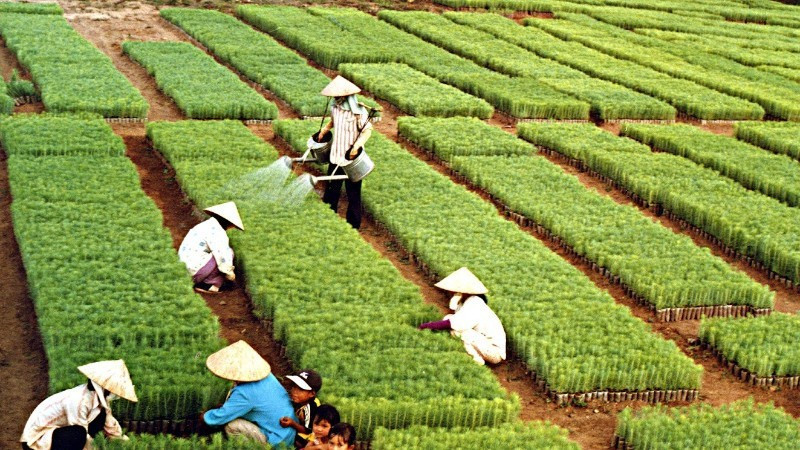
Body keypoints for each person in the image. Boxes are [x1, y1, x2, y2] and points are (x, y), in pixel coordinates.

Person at [20, 360, 137, 450]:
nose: (114, 394)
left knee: (100, 418)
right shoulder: (79, 400)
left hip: (58, 433)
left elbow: (110, 425)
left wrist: (125, 442)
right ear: (103, 388)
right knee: (78, 434)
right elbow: (82, 436)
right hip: (36, 441)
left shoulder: (100, 401)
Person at [201, 340, 297, 447]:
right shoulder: (268, 377)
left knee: (232, 426)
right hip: (289, 431)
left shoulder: (244, 393)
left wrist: (205, 416)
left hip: (277, 441)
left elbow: (219, 418)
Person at [418, 267, 507, 366]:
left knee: (458, 331)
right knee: (449, 318)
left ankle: (476, 360)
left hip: (494, 351)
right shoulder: (464, 301)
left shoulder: (475, 302)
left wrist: (427, 326)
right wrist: (455, 302)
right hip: (482, 343)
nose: (451, 291)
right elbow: (452, 317)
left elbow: (455, 324)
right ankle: (474, 354)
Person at [317, 76, 373, 230]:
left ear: (346, 96)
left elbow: (367, 131)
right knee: (331, 190)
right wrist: (325, 129)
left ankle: (353, 225)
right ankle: (329, 219)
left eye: (338, 96)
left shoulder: (359, 112)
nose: (336, 99)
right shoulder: (335, 108)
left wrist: (357, 146)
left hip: (351, 159)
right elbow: (333, 121)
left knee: (353, 193)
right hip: (336, 156)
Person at [178, 201, 244, 294]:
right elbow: (223, 255)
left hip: (182, 269)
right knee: (228, 253)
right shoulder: (218, 232)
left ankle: (206, 282)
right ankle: (206, 285)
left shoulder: (206, 225)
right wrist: (230, 274)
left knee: (217, 254)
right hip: (193, 272)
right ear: (228, 222)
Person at [278, 370, 323, 447]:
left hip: (310, 435)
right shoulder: (300, 399)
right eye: (294, 386)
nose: (295, 391)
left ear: (311, 394)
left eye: (301, 389)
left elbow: (307, 430)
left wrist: (292, 423)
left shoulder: (310, 407)